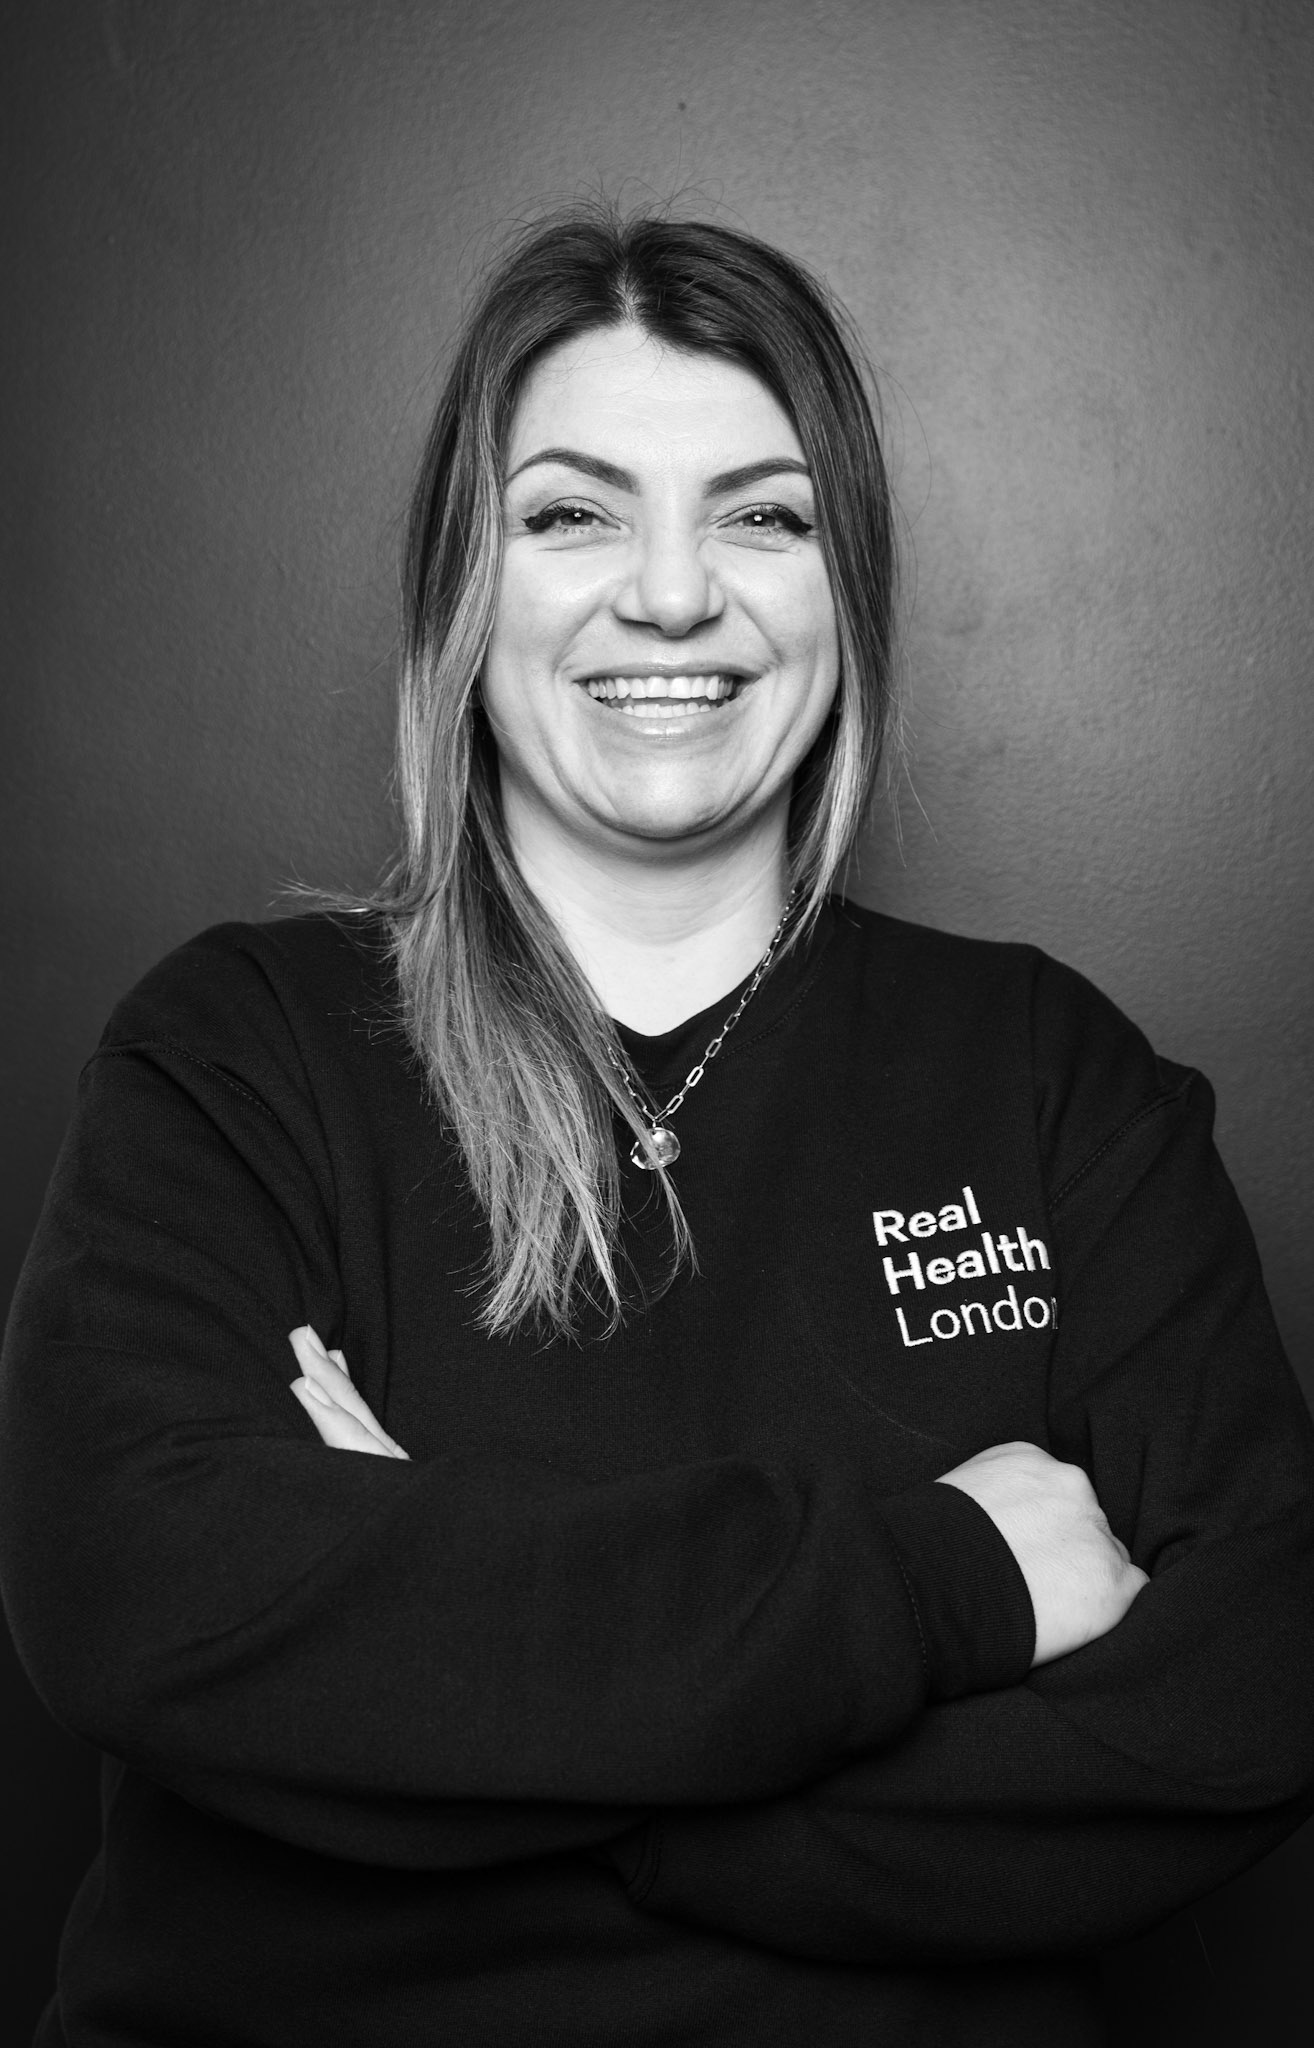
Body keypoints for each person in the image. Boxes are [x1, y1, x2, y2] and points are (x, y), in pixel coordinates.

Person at [2, 210, 1312, 2048]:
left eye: (762, 517)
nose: (674, 595)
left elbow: (1249, 1689)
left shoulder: (1046, 1070)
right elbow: (144, 1599)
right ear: (463, 584)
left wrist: (462, 1705)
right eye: (572, 513)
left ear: (845, 589)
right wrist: (947, 1584)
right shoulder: (240, 1054)